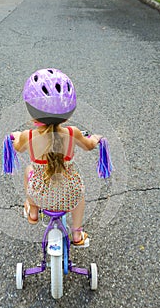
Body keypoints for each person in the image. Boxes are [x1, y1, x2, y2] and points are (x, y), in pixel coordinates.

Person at [12, 68, 102, 247]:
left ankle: (33, 212)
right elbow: (89, 145)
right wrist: (96, 139)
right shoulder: (72, 133)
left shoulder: (28, 136)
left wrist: (15, 136)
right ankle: (76, 234)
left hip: (40, 194)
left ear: (32, 110)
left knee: (29, 170)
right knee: (79, 191)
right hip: (69, 194)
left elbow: (17, 148)